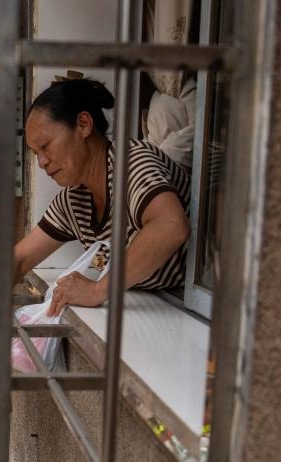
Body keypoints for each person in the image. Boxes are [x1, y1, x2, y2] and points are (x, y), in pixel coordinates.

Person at [13, 78, 191, 316]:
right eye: (36, 153)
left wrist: (96, 290)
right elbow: (20, 258)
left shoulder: (131, 162)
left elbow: (171, 227)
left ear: (84, 124)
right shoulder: (75, 200)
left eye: (45, 146)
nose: (42, 162)